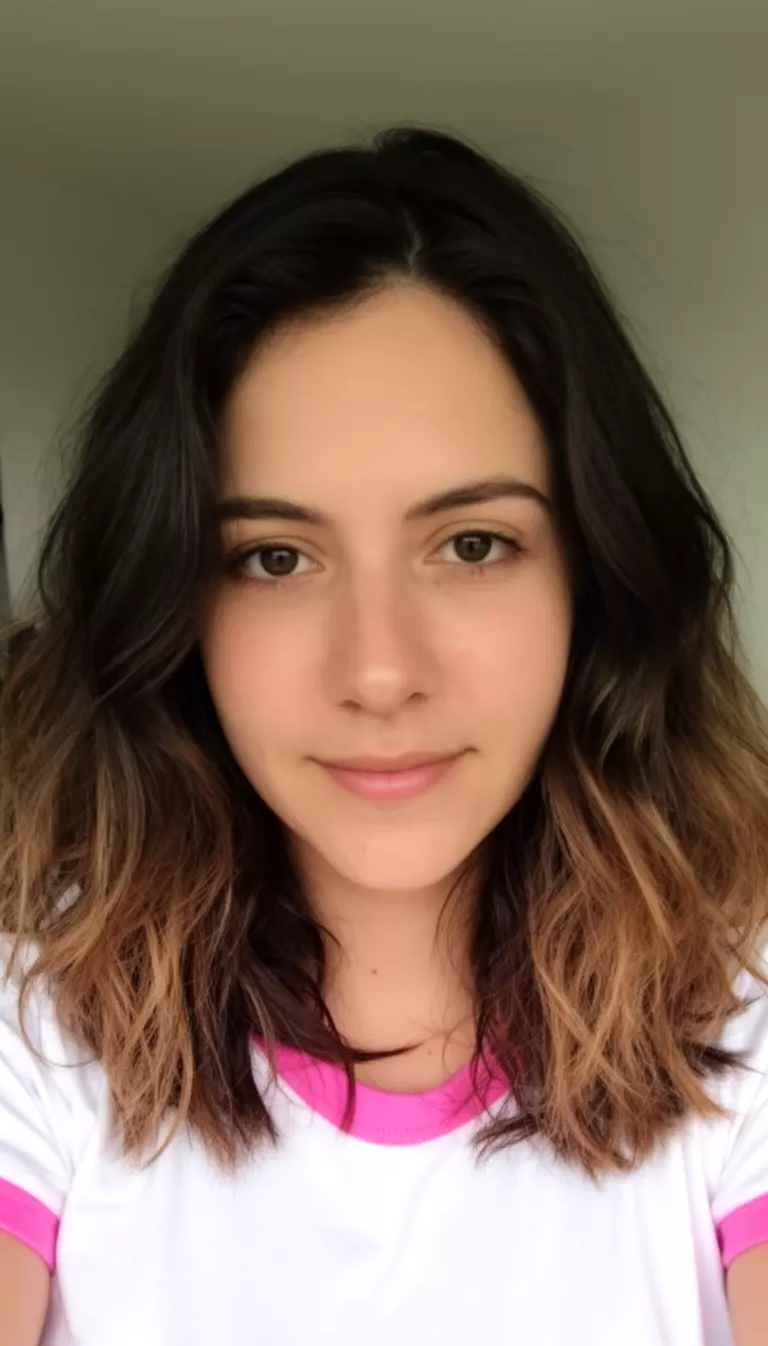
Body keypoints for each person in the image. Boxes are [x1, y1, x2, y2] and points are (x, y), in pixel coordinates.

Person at [1, 127, 767, 1346]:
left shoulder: (743, 1006)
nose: (378, 670)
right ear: (174, 602)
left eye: (471, 543)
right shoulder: (39, 1020)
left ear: (597, 574)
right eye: (275, 557)